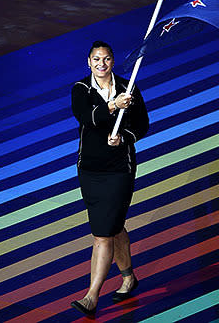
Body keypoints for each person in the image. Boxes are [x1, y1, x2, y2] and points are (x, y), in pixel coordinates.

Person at [70, 41, 149, 316]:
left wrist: (124, 138)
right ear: (88, 62)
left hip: (119, 171)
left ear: (113, 62)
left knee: (102, 234)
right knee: (114, 228)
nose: (101, 64)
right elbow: (88, 118)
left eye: (106, 59)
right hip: (90, 171)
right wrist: (114, 105)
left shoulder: (130, 88)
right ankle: (128, 276)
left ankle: (91, 296)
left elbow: (142, 126)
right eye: (96, 59)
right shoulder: (81, 90)